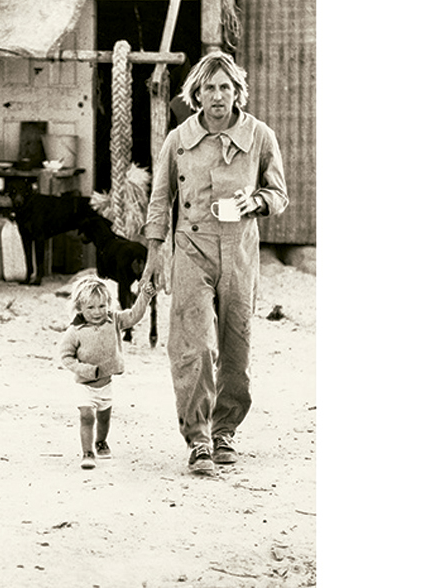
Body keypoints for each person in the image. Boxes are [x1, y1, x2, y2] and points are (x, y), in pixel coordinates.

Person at [139, 51, 289, 476]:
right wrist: (155, 253)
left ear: (237, 91)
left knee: (236, 348)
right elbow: (160, 199)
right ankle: (199, 439)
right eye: (209, 88)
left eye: (225, 87)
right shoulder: (178, 139)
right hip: (191, 248)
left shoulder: (260, 136)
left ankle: (225, 432)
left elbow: (279, 195)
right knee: (195, 345)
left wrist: (254, 201)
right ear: (197, 94)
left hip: (239, 251)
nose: (218, 96)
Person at [57, 275, 158, 470]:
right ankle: (87, 452)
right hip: (84, 385)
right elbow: (66, 356)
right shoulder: (75, 330)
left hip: (106, 384)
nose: (97, 312)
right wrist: (85, 370)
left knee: (104, 418)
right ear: (79, 308)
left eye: (102, 306)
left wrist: (145, 296)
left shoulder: (114, 320)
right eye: (91, 308)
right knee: (87, 416)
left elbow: (134, 316)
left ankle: (101, 442)